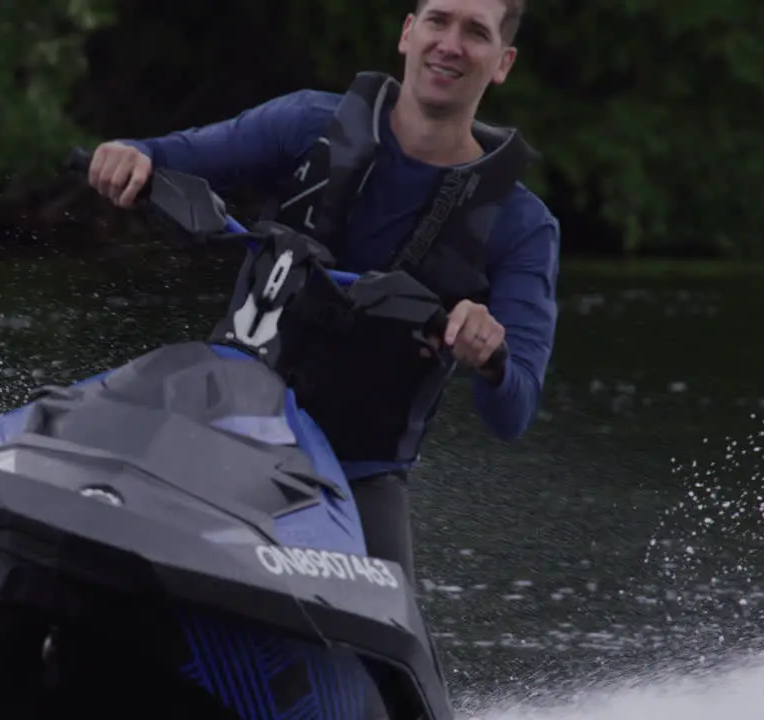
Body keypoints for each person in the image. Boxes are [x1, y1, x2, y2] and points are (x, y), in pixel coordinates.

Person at [83, 0, 558, 582]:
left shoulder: (523, 227)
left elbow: (514, 410)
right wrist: (132, 153)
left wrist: (491, 358)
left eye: (475, 32)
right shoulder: (307, 124)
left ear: (502, 61)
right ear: (408, 33)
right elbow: (171, 154)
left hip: (356, 477)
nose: (451, 44)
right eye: (438, 20)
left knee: (387, 647)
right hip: (217, 423)